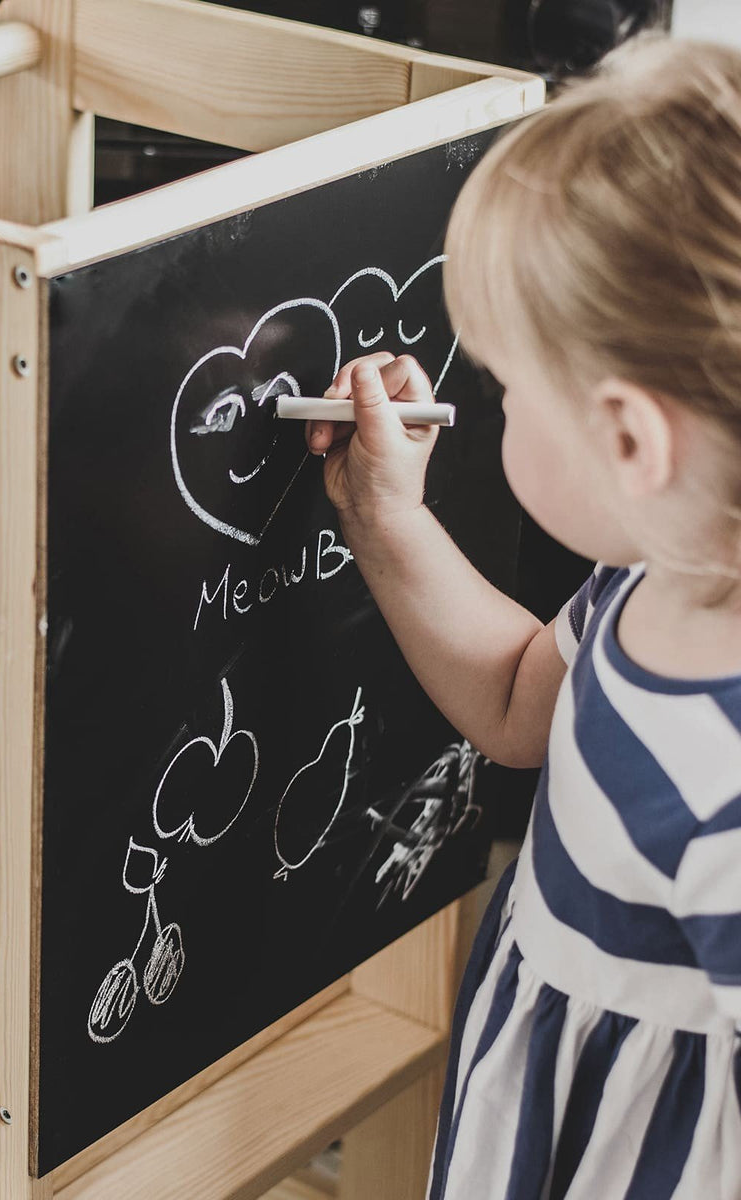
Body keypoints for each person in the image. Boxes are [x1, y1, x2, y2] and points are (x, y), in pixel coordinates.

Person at [305, 35, 741, 1200]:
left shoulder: (729, 788)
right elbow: (511, 704)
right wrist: (388, 523)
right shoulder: (653, 580)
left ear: (630, 442)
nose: (482, 406)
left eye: (506, 390)